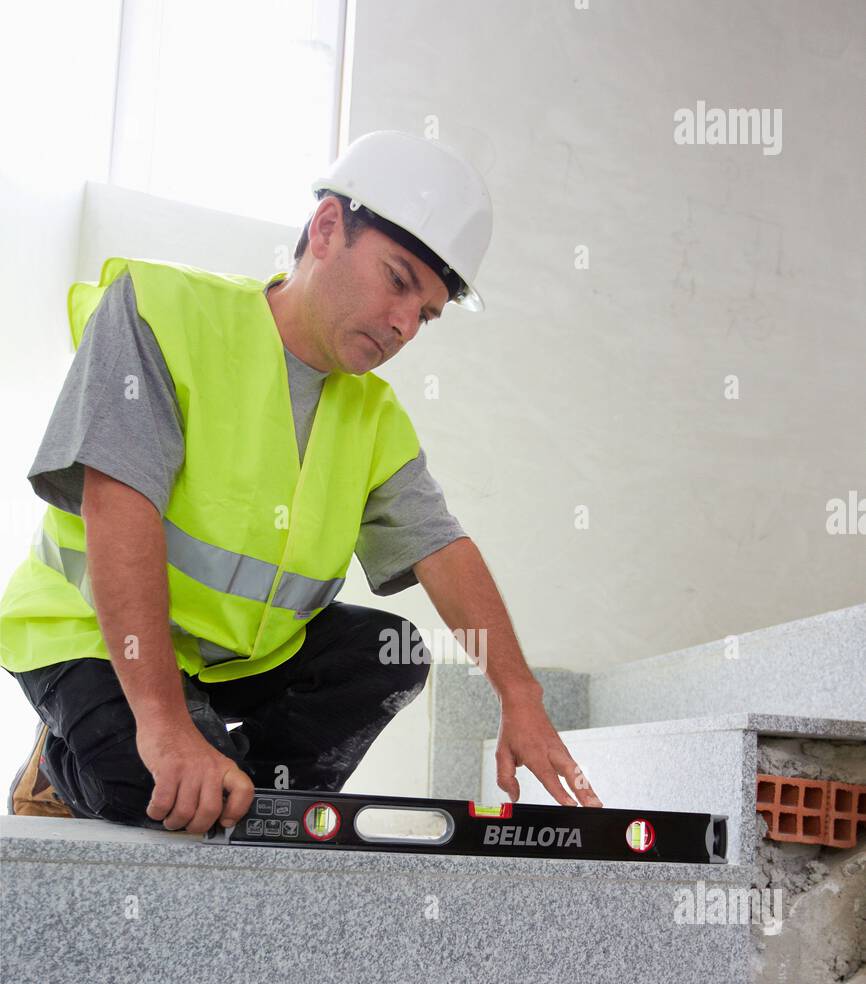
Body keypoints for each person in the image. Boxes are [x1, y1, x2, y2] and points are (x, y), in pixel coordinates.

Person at [1, 129, 601, 834]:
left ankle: (240, 795)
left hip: (231, 658)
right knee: (154, 787)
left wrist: (519, 695)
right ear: (326, 229)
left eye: (427, 315)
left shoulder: (372, 417)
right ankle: (63, 765)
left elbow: (442, 549)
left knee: (392, 655)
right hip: (93, 635)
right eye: (399, 280)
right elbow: (117, 509)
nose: (406, 324)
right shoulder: (161, 314)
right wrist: (163, 727)